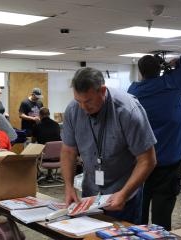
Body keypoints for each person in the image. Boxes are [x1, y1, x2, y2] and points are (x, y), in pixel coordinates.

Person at [61, 67, 157, 224]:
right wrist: (69, 187)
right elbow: (68, 151)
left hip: (124, 193)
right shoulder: (74, 109)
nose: (83, 108)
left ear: (102, 91)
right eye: (79, 101)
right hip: (91, 193)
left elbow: (148, 160)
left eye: (88, 101)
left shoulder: (128, 111)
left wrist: (124, 194)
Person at [128, 55, 181, 230]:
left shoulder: (133, 93)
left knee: (139, 209)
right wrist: (177, 62)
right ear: (159, 69)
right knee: (163, 210)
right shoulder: (173, 83)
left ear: (140, 72)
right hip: (171, 160)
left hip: (141, 162)